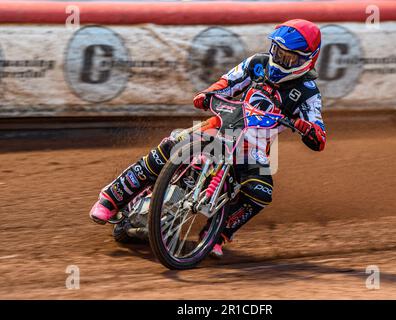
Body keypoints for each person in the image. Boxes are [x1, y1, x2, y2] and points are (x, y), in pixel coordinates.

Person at [89, 19, 326, 258]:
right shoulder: (258, 64)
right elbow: (228, 81)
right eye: (277, 51)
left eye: (288, 57)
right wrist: (208, 93)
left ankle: (217, 236)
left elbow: (319, 134)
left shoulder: (308, 93)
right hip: (221, 125)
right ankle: (112, 198)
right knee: (171, 146)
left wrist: (307, 128)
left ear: (307, 59)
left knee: (260, 192)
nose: (279, 59)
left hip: (252, 148)